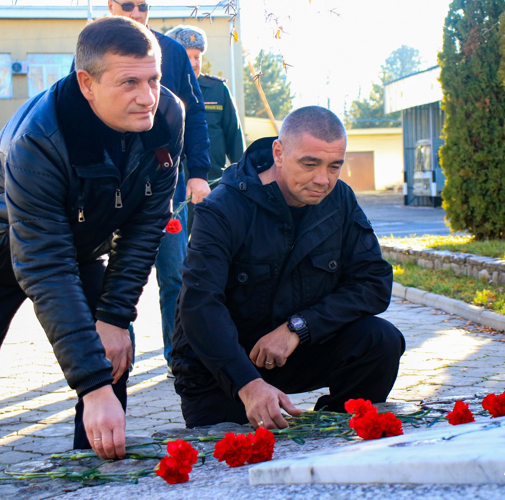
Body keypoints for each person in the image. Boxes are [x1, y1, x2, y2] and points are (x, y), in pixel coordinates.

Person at [0, 17, 183, 491]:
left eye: (153, 79)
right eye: (129, 82)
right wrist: (90, 384)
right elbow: (45, 267)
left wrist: (113, 317)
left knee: (113, 358)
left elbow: (146, 224)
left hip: (75, 248)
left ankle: (89, 483)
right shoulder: (40, 138)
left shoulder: (167, 117)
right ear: (87, 83)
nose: (147, 96)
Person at [172, 106, 406, 428]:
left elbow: (373, 281)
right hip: (223, 368)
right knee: (236, 458)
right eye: (309, 164)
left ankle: (336, 431)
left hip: (295, 351)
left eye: (334, 166)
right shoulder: (222, 209)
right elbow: (199, 307)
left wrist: (299, 327)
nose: (323, 180)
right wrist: (247, 384)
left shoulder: (340, 200)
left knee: (380, 340)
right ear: (279, 153)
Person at [105, 0, 211, 375]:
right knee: (118, 276)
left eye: (143, 5)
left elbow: (195, 114)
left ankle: (179, 358)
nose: (136, 12)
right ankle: (120, 360)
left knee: (176, 274)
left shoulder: (174, 53)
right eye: (127, 5)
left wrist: (198, 172)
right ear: (110, 6)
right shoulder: (94, 48)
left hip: (167, 183)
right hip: (114, 186)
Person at [165, 25, 245, 232]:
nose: (193, 63)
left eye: (197, 57)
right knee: (177, 241)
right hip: (175, 182)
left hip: (211, 183)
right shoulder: (164, 92)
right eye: (188, 57)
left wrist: (243, 176)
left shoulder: (218, 89)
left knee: (211, 238)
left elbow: (233, 136)